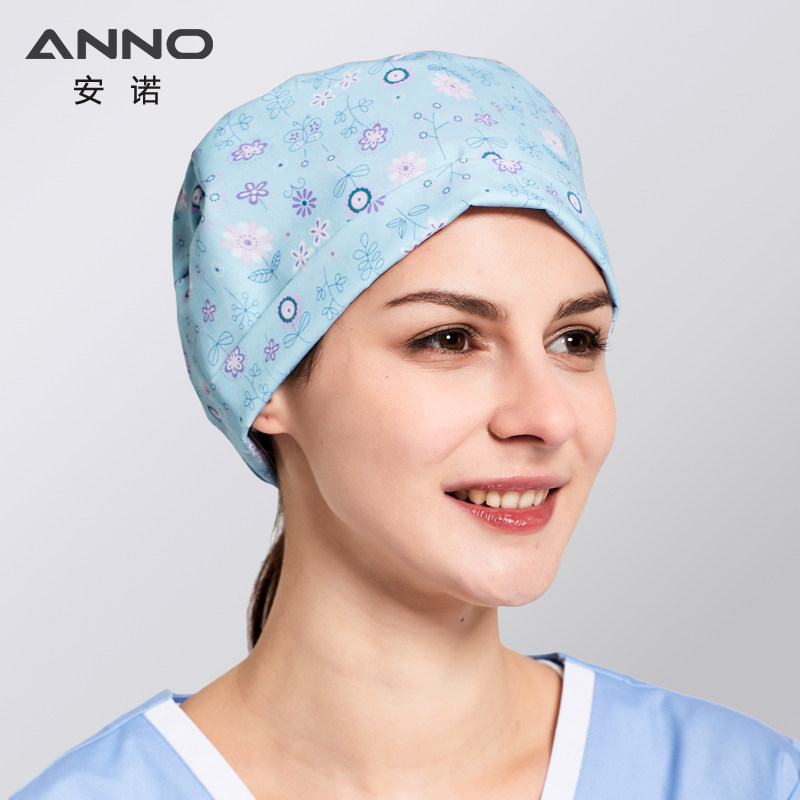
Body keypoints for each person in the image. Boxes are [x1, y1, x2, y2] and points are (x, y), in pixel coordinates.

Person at [13, 50, 799, 800]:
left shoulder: (748, 782)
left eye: (575, 341)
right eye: (450, 340)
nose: (549, 416)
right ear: (267, 380)